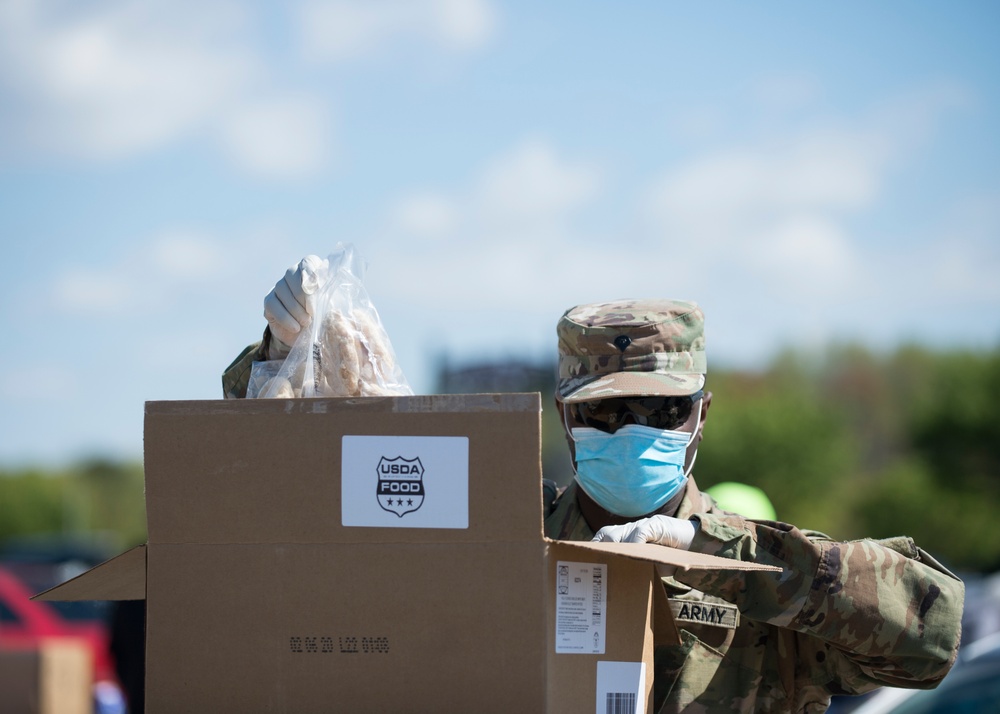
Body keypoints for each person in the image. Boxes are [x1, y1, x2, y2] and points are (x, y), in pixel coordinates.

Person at [544, 298, 964, 712]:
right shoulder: (509, 547)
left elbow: (931, 641)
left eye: (661, 410)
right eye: (602, 410)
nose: (633, 430)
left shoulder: (764, 566)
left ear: (700, 416)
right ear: (565, 416)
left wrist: (713, 552)